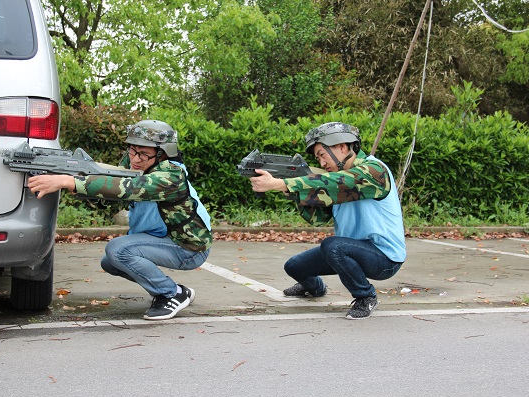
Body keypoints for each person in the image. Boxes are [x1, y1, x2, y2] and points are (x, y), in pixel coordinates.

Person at [28, 120, 212, 320]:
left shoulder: (171, 176)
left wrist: (69, 181)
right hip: (163, 239)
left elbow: (128, 188)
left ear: (163, 154)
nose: (136, 159)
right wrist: (78, 179)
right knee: (110, 262)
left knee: (118, 250)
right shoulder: (136, 163)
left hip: (188, 248)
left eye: (144, 154)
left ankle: (170, 294)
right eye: (132, 150)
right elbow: (113, 190)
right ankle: (175, 290)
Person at [249, 122, 406, 319]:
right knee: (294, 266)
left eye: (322, 154)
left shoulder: (374, 171)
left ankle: (366, 297)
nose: (322, 163)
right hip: (351, 250)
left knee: (332, 246)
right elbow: (319, 218)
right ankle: (315, 288)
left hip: (385, 258)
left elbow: (340, 182)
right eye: (318, 158)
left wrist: (282, 183)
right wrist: (291, 191)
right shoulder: (335, 179)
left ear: (342, 146)